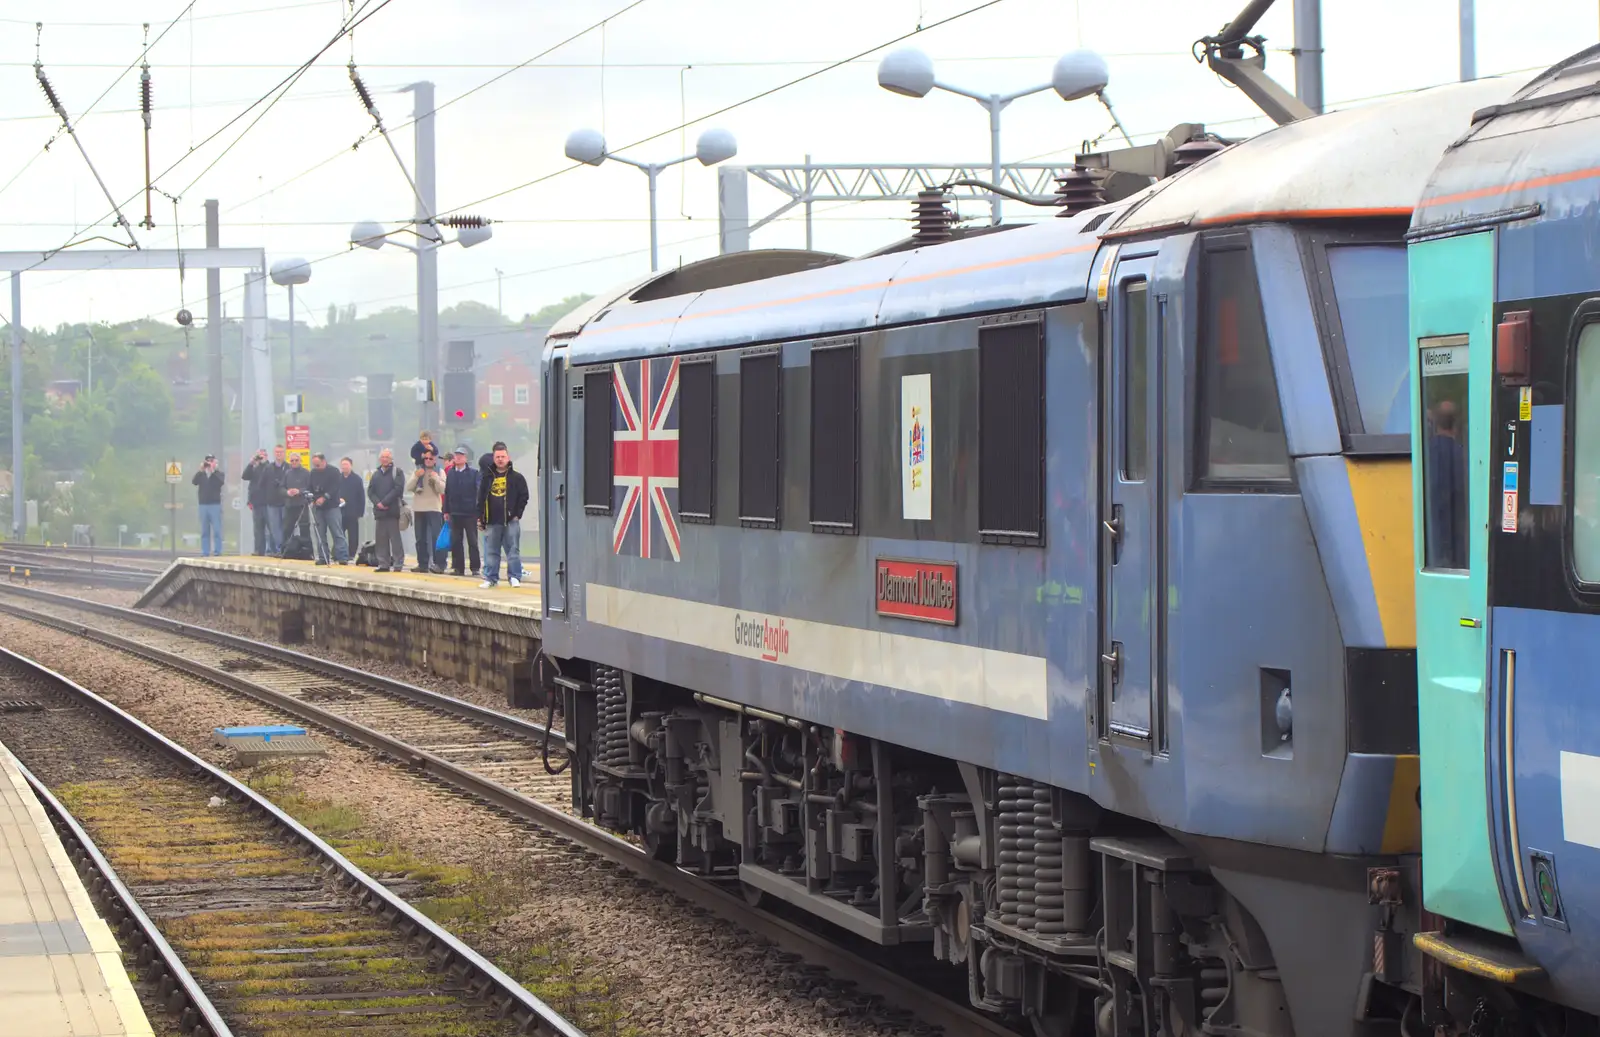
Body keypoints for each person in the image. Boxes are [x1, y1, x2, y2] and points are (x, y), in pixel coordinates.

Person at [477, 441, 528, 589]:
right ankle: (491, 578)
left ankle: (514, 577)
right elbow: (480, 499)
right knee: (492, 551)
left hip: (511, 520)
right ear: (493, 458)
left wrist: (518, 514)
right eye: (497, 456)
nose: (500, 459)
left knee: (513, 550)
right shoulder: (487, 478)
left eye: (503, 456)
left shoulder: (517, 477)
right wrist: (480, 518)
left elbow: (524, 496)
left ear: (508, 457)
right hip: (492, 520)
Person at [444, 446, 481, 576]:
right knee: (456, 541)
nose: (458, 457)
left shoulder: (473, 473)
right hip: (455, 512)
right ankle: (458, 568)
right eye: (456, 455)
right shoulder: (451, 473)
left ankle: (475, 567)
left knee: (472, 541)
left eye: (461, 455)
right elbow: (447, 492)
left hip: (469, 513)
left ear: (466, 458)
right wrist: (446, 511)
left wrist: (477, 511)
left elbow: (478, 492)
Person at [308, 453, 350, 566]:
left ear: (324, 461)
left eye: (318, 465)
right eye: (314, 465)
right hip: (318, 508)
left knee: (337, 532)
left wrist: (325, 497)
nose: (316, 467)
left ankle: (342, 556)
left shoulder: (334, 471)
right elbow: (309, 487)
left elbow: (335, 487)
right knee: (320, 533)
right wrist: (311, 498)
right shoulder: (313, 473)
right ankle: (323, 557)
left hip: (332, 507)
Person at [367, 448, 406, 572]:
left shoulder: (397, 472)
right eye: (383, 457)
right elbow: (370, 491)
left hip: (392, 511)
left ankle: (398, 563)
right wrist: (377, 503)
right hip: (379, 513)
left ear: (391, 459)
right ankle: (383, 563)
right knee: (381, 539)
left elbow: (398, 489)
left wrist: (384, 502)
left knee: (395, 539)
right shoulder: (376, 474)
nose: (384, 459)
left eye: (387, 457)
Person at [409, 447, 446, 573]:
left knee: (436, 536)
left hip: (434, 507)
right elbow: (408, 487)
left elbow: (443, 490)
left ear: (435, 459)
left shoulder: (439, 471)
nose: (428, 460)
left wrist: (436, 478)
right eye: (426, 458)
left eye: (431, 458)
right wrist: (415, 476)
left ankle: (439, 564)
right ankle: (422, 564)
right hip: (419, 507)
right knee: (420, 537)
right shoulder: (418, 470)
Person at [241, 448, 280, 555]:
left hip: (267, 502)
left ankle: (274, 550)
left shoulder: (270, 467)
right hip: (256, 502)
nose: (261, 457)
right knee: (258, 528)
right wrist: (251, 463)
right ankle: (259, 550)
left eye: (263, 455)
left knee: (271, 527)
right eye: (259, 455)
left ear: (267, 456)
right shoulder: (254, 468)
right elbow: (244, 476)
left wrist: (263, 462)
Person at [191, 455, 225, 557]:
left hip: (215, 505)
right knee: (204, 531)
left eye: (211, 461)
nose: (209, 463)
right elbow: (194, 482)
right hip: (203, 505)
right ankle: (205, 551)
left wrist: (213, 470)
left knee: (217, 530)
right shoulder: (201, 475)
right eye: (207, 461)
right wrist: (201, 470)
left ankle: (217, 551)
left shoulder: (219, 474)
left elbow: (221, 482)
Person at [281, 455, 311, 550]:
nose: (294, 462)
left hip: (302, 505)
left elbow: (310, 487)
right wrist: (287, 492)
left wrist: (299, 491)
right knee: (287, 528)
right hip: (290, 505)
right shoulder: (287, 473)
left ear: (300, 461)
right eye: (292, 460)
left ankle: (306, 550)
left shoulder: (306, 473)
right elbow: (281, 488)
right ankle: (286, 550)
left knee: (304, 528)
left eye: (296, 460)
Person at [338, 457, 365, 556]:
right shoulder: (338, 478)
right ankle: (339, 552)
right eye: (343, 464)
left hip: (353, 511)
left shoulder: (357, 479)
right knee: (339, 533)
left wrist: (360, 512)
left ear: (351, 466)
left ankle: (351, 553)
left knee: (353, 534)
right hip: (340, 511)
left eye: (346, 464)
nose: (344, 466)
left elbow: (361, 496)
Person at [266, 445, 289, 553]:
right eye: (277, 452)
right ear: (274, 453)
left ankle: (286, 547)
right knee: (275, 527)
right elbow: (262, 483)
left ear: (284, 453)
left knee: (286, 526)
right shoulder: (268, 468)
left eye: (281, 452)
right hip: (272, 501)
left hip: (285, 501)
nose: (279, 454)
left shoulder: (288, 467)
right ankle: (279, 548)